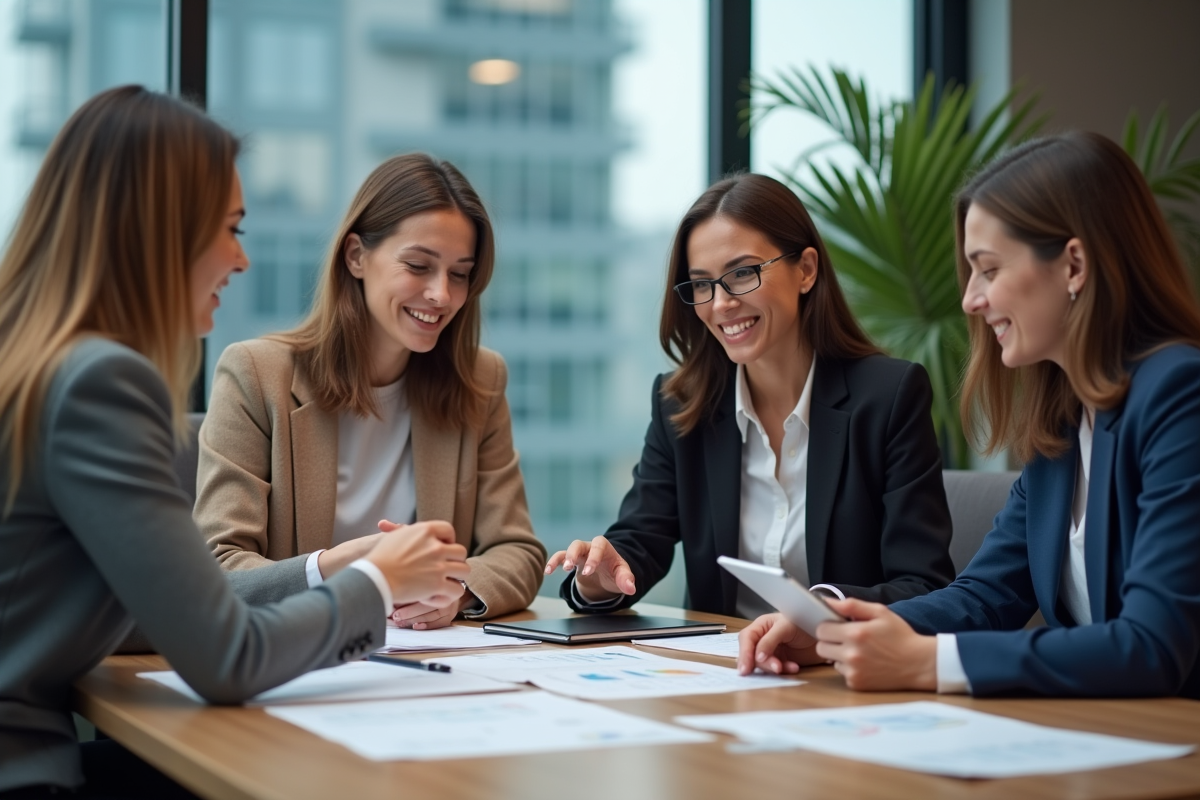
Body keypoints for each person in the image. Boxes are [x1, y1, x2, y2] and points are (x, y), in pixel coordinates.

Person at [0, 87, 471, 798]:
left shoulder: (38, 363)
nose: (239, 260)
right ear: (158, 231)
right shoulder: (101, 382)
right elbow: (226, 658)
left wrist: (324, 569)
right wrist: (377, 585)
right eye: (229, 228)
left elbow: (160, 609)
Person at [739, 132, 1200, 699]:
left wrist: (930, 663)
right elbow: (985, 595)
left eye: (988, 269)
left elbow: (1151, 646)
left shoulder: (1179, 395)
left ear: (1074, 264)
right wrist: (833, 628)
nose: (970, 300)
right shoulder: (1063, 418)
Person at [545, 173, 956, 618]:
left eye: (742, 274)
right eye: (702, 284)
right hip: (723, 672)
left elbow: (924, 584)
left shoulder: (888, 397)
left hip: (838, 673)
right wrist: (600, 581)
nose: (721, 304)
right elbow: (640, 542)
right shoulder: (681, 404)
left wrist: (818, 615)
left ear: (806, 270)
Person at [194, 153, 545, 628]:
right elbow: (217, 570)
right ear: (357, 256)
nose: (442, 295)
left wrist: (456, 591)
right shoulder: (257, 375)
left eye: (460, 274)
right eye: (419, 266)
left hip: (427, 663)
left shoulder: (480, 381)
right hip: (293, 656)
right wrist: (340, 569)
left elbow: (517, 550)